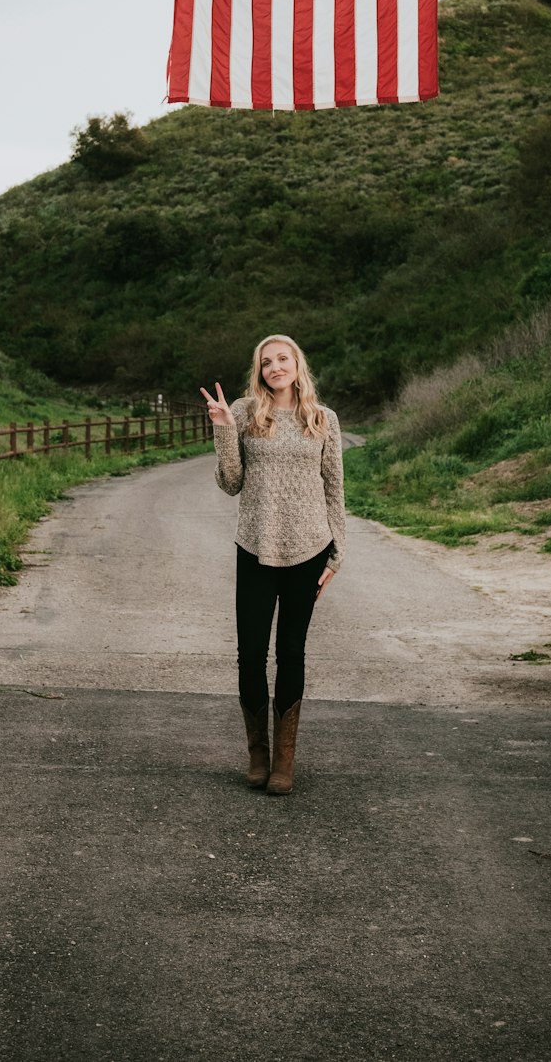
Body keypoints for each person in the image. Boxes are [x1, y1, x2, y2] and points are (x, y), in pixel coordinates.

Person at [200, 334, 345, 795]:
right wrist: (224, 427)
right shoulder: (243, 412)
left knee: (291, 654)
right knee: (250, 655)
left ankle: (285, 761)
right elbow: (230, 483)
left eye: (283, 360)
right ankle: (258, 756)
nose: (275, 368)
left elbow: (334, 489)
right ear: (259, 371)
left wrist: (337, 554)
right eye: (267, 363)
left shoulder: (324, 419)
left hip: (309, 548)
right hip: (254, 546)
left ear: (298, 365)